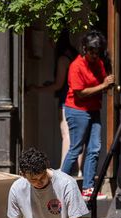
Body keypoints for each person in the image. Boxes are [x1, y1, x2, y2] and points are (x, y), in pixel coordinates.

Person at [61, 30, 115, 201]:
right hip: (77, 110)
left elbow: (103, 82)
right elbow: (80, 94)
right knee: (76, 148)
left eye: (97, 51)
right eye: (91, 50)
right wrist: (103, 86)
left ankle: (88, 189)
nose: (94, 54)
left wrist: (107, 83)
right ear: (84, 49)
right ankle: (59, 186)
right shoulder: (76, 66)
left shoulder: (98, 63)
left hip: (93, 110)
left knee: (94, 149)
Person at [30, 29, 82, 173]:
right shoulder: (74, 55)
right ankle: (79, 171)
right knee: (77, 136)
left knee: (66, 133)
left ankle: (63, 170)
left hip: (66, 100)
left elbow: (59, 84)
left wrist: (38, 89)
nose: (50, 43)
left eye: (51, 40)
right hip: (79, 100)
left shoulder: (62, 58)